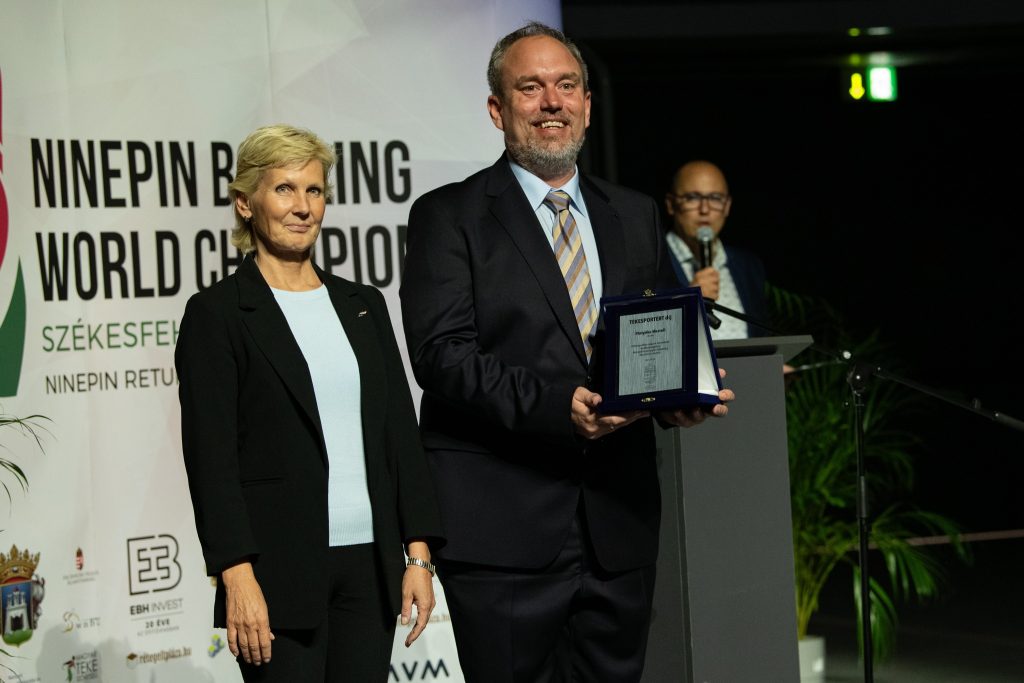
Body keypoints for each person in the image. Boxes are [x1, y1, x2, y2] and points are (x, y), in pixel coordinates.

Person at [399, 23, 735, 683]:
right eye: (530, 87)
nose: (551, 101)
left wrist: (679, 397)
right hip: (503, 532)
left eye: (566, 85)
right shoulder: (449, 215)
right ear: (497, 109)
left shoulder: (633, 213)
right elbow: (442, 354)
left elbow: (652, 337)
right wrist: (560, 409)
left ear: (586, 103)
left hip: (618, 525)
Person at [175, 124, 443, 682]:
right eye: (284, 189)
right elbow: (211, 461)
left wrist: (418, 553)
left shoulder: (363, 305)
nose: (303, 207)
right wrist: (236, 575)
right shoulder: (217, 314)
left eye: (314, 190)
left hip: (369, 571)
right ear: (245, 203)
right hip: (276, 573)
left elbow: (399, 436)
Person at [663, 160, 769, 338]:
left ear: (727, 206)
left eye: (715, 198)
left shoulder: (748, 266)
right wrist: (687, 304)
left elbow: (762, 338)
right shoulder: (650, 262)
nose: (704, 209)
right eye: (692, 197)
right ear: (671, 204)